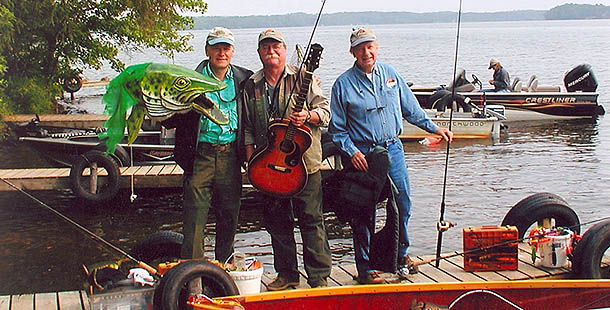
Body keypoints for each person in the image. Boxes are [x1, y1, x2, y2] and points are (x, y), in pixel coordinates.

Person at [328, 27, 453, 284]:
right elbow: (337, 131)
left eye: (370, 46)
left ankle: (400, 255)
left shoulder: (391, 75)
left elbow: (412, 109)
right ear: (352, 52)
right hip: (363, 155)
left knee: (403, 203)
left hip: (393, 149)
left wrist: (435, 128)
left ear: (377, 47)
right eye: (360, 48)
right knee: (364, 213)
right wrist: (351, 152)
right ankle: (365, 268)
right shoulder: (342, 84)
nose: (367, 52)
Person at [242, 29, 332, 290]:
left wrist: (308, 116)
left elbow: (325, 113)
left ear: (284, 49)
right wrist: (250, 162)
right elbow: (248, 126)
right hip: (268, 165)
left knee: (311, 220)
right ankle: (286, 275)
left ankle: (319, 277)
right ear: (260, 52)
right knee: (277, 222)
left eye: (276, 46)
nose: (271, 51)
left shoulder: (305, 77)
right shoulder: (252, 85)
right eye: (266, 47)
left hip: (304, 165)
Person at [161, 27, 253, 268]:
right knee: (195, 214)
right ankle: (192, 270)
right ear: (207, 50)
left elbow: (273, 84)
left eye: (226, 48)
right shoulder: (188, 79)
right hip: (199, 154)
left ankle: (224, 265)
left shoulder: (246, 78)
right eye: (216, 48)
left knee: (229, 212)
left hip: (231, 155)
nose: (221, 53)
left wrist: (306, 76)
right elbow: (169, 117)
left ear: (232, 51)